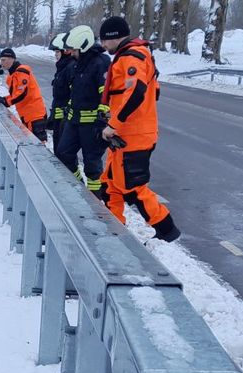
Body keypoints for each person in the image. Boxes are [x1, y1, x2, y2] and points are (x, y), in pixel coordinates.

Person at [95, 17, 180, 242]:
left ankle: (166, 229)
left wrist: (114, 124)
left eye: (104, 40)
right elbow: (153, 92)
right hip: (124, 134)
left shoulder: (132, 57)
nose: (103, 46)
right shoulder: (132, 56)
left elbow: (136, 92)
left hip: (132, 135)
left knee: (133, 188)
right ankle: (114, 229)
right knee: (110, 183)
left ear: (113, 37)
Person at [55, 25, 111, 197]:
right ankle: (78, 186)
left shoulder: (100, 63)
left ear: (84, 46)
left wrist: (102, 119)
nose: (71, 53)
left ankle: (94, 201)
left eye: (74, 50)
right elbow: (75, 91)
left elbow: (107, 93)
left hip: (92, 125)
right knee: (63, 153)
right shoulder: (77, 65)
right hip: (74, 122)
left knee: (92, 166)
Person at [0, 47, 48, 142]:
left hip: (35, 115)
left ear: (12, 59)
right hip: (27, 115)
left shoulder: (22, 72)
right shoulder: (13, 75)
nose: (1, 63)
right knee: (33, 145)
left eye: (3, 60)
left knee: (38, 147)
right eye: (1, 60)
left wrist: (6, 101)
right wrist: (4, 99)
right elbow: (16, 94)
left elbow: (21, 94)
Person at [49, 33, 76, 154]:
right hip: (59, 118)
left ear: (65, 52)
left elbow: (73, 94)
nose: (55, 55)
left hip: (65, 119)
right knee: (58, 152)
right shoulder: (61, 68)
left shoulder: (70, 68)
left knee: (64, 154)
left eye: (57, 52)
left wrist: (65, 114)